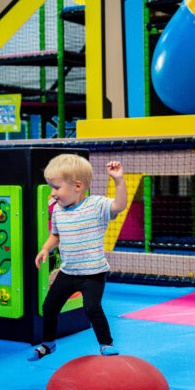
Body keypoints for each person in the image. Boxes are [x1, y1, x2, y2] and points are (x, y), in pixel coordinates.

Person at [29, 154, 127, 360]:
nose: (52, 193)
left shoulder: (97, 205)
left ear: (78, 186)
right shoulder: (58, 210)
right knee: (49, 306)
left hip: (93, 273)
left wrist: (118, 180)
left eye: (56, 187)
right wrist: (45, 249)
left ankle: (106, 343)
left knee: (92, 307)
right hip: (68, 272)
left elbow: (119, 206)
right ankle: (48, 343)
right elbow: (56, 235)